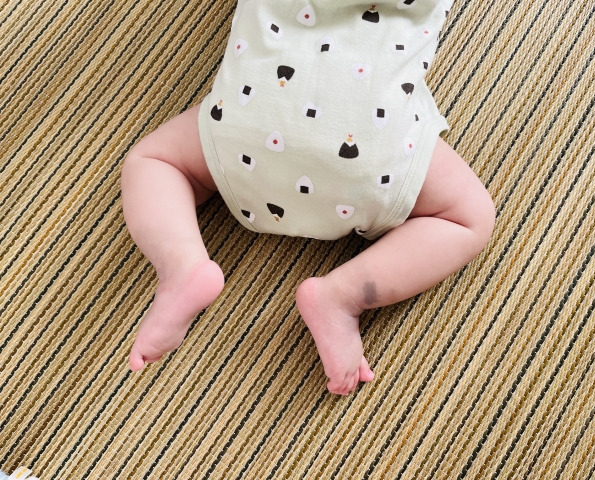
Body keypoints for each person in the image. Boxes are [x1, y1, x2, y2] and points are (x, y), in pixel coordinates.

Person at [119, 0, 495, 396]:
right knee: (468, 219)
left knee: (153, 162)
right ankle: (342, 296)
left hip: (247, 125)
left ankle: (182, 264)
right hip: (372, 148)